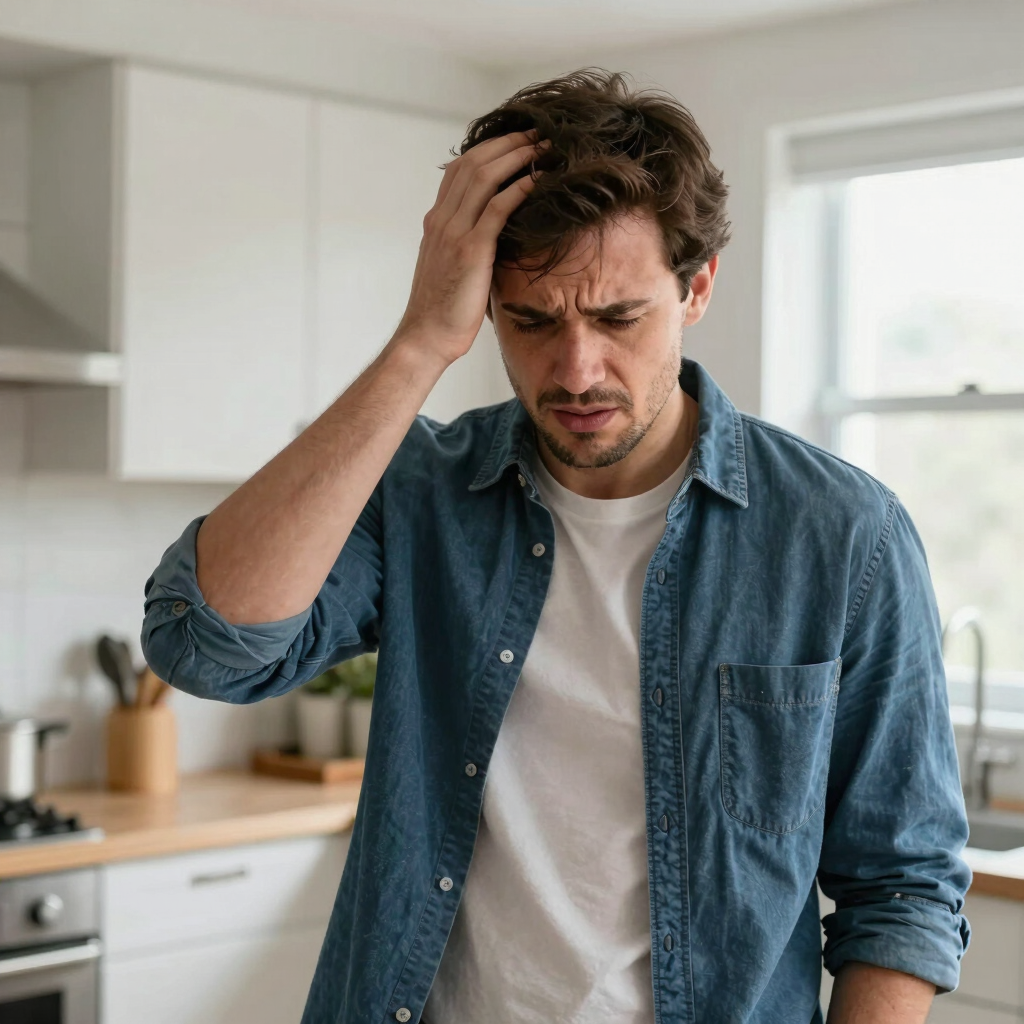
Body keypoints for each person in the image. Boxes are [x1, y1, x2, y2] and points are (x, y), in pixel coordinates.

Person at [141, 69, 971, 1024]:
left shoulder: (842, 534)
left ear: (696, 287)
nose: (576, 370)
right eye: (531, 321)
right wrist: (419, 341)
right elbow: (206, 646)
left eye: (619, 317)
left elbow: (902, 886)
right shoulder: (422, 492)